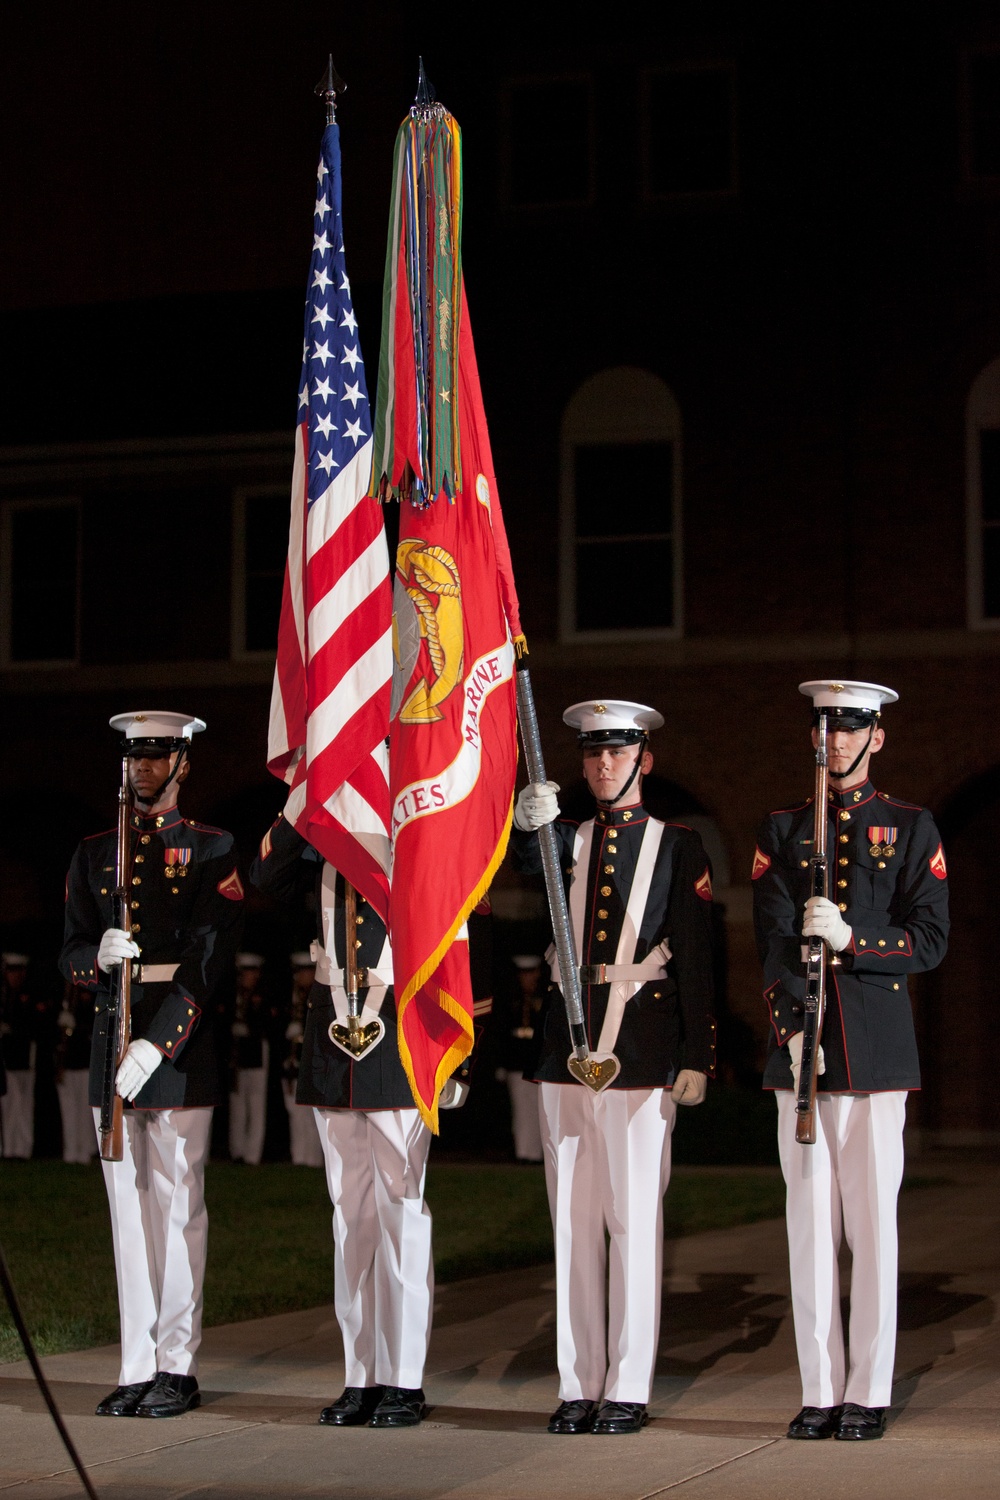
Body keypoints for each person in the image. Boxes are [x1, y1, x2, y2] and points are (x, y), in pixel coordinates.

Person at [512, 699, 717, 1436]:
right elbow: (506, 878)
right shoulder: (561, 836)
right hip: (564, 1049)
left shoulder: (677, 844)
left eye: (618, 752)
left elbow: (697, 953)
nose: (604, 764)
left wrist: (698, 1055)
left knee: (632, 1221)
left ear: (643, 760)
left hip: (642, 1046)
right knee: (572, 1226)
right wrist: (523, 826)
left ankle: (627, 1386)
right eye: (593, 752)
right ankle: (578, 1384)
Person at [753, 680, 949, 1443]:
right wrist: (791, 1031)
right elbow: (771, 940)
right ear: (813, 737)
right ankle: (819, 1391)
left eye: (850, 728)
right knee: (808, 1230)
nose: (835, 741)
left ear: (876, 737)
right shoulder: (782, 828)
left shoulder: (909, 827)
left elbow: (929, 940)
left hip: (873, 1056)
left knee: (871, 1231)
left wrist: (853, 939)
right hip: (803, 1056)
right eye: (825, 728)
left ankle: (867, 1391)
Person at [251, 810, 486, 1429]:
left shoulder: (420, 818)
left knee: (400, 1209)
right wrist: (303, 799)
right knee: (350, 1216)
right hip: (333, 1030)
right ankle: (361, 1376)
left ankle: (403, 1379)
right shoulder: (326, 821)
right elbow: (267, 878)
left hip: (402, 1028)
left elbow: (460, 926)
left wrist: (455, 1051)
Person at [61, 711, 244, 1419]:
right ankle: (136, 1365)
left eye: (157, 756)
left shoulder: (211, 848)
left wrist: (158, 1041)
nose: (142, 767)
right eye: (134, 756)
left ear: (182, 763)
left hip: (177, 1049)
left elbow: (208, 959)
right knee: (127, 1216)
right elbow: (69, 952)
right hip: (111, 1039)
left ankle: (177, 1365)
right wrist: (95, 958)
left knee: (175, 1210)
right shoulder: (93, 851)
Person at [496, 954, 546, 1164]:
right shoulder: (511, 999)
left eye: (531, 973)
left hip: (537, 1065)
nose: (527, 978)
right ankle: (523, 1152)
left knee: (539, 1110)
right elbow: (501, 1033)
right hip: (516, 1064)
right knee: (521, 1109)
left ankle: (537, 1153)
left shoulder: (544, 998)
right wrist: (501, 1064)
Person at [227, 953, 270, 1165]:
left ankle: (253, 1153)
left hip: (256, 1051)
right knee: (237, 1103)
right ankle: (237, 1150)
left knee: (255, 1103)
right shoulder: (234, 996)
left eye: (251, 973)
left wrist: (249, 1029)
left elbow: (267, 1025)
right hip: (237, 1053)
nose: (247, 977)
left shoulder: (262, 996)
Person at [282, 951, 324, 1167]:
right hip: (292, 1064)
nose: (302, 977)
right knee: (295, 1112)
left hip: (312, 1063)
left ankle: (313, 1158)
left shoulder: (317, 998)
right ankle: (299, 1157)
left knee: (313, 1113)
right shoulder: (291, 998)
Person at [0, 954, 38, 1158]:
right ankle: (10, 1148)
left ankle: (23, 1148)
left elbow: (31, 1026)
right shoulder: (4, 996)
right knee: (10, 1105)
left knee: (24, 1104)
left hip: (24, 1057)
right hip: (8, 1059)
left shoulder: (27, 995)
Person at [55, 982, 97, 1164]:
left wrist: (76, 1028)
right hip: (68, 1066)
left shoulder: (92, 1008)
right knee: (69, 1112)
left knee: (85, 1113)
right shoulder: (67, 1004)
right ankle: (70, 1151)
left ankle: (85, 1150)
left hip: (86, 1066)